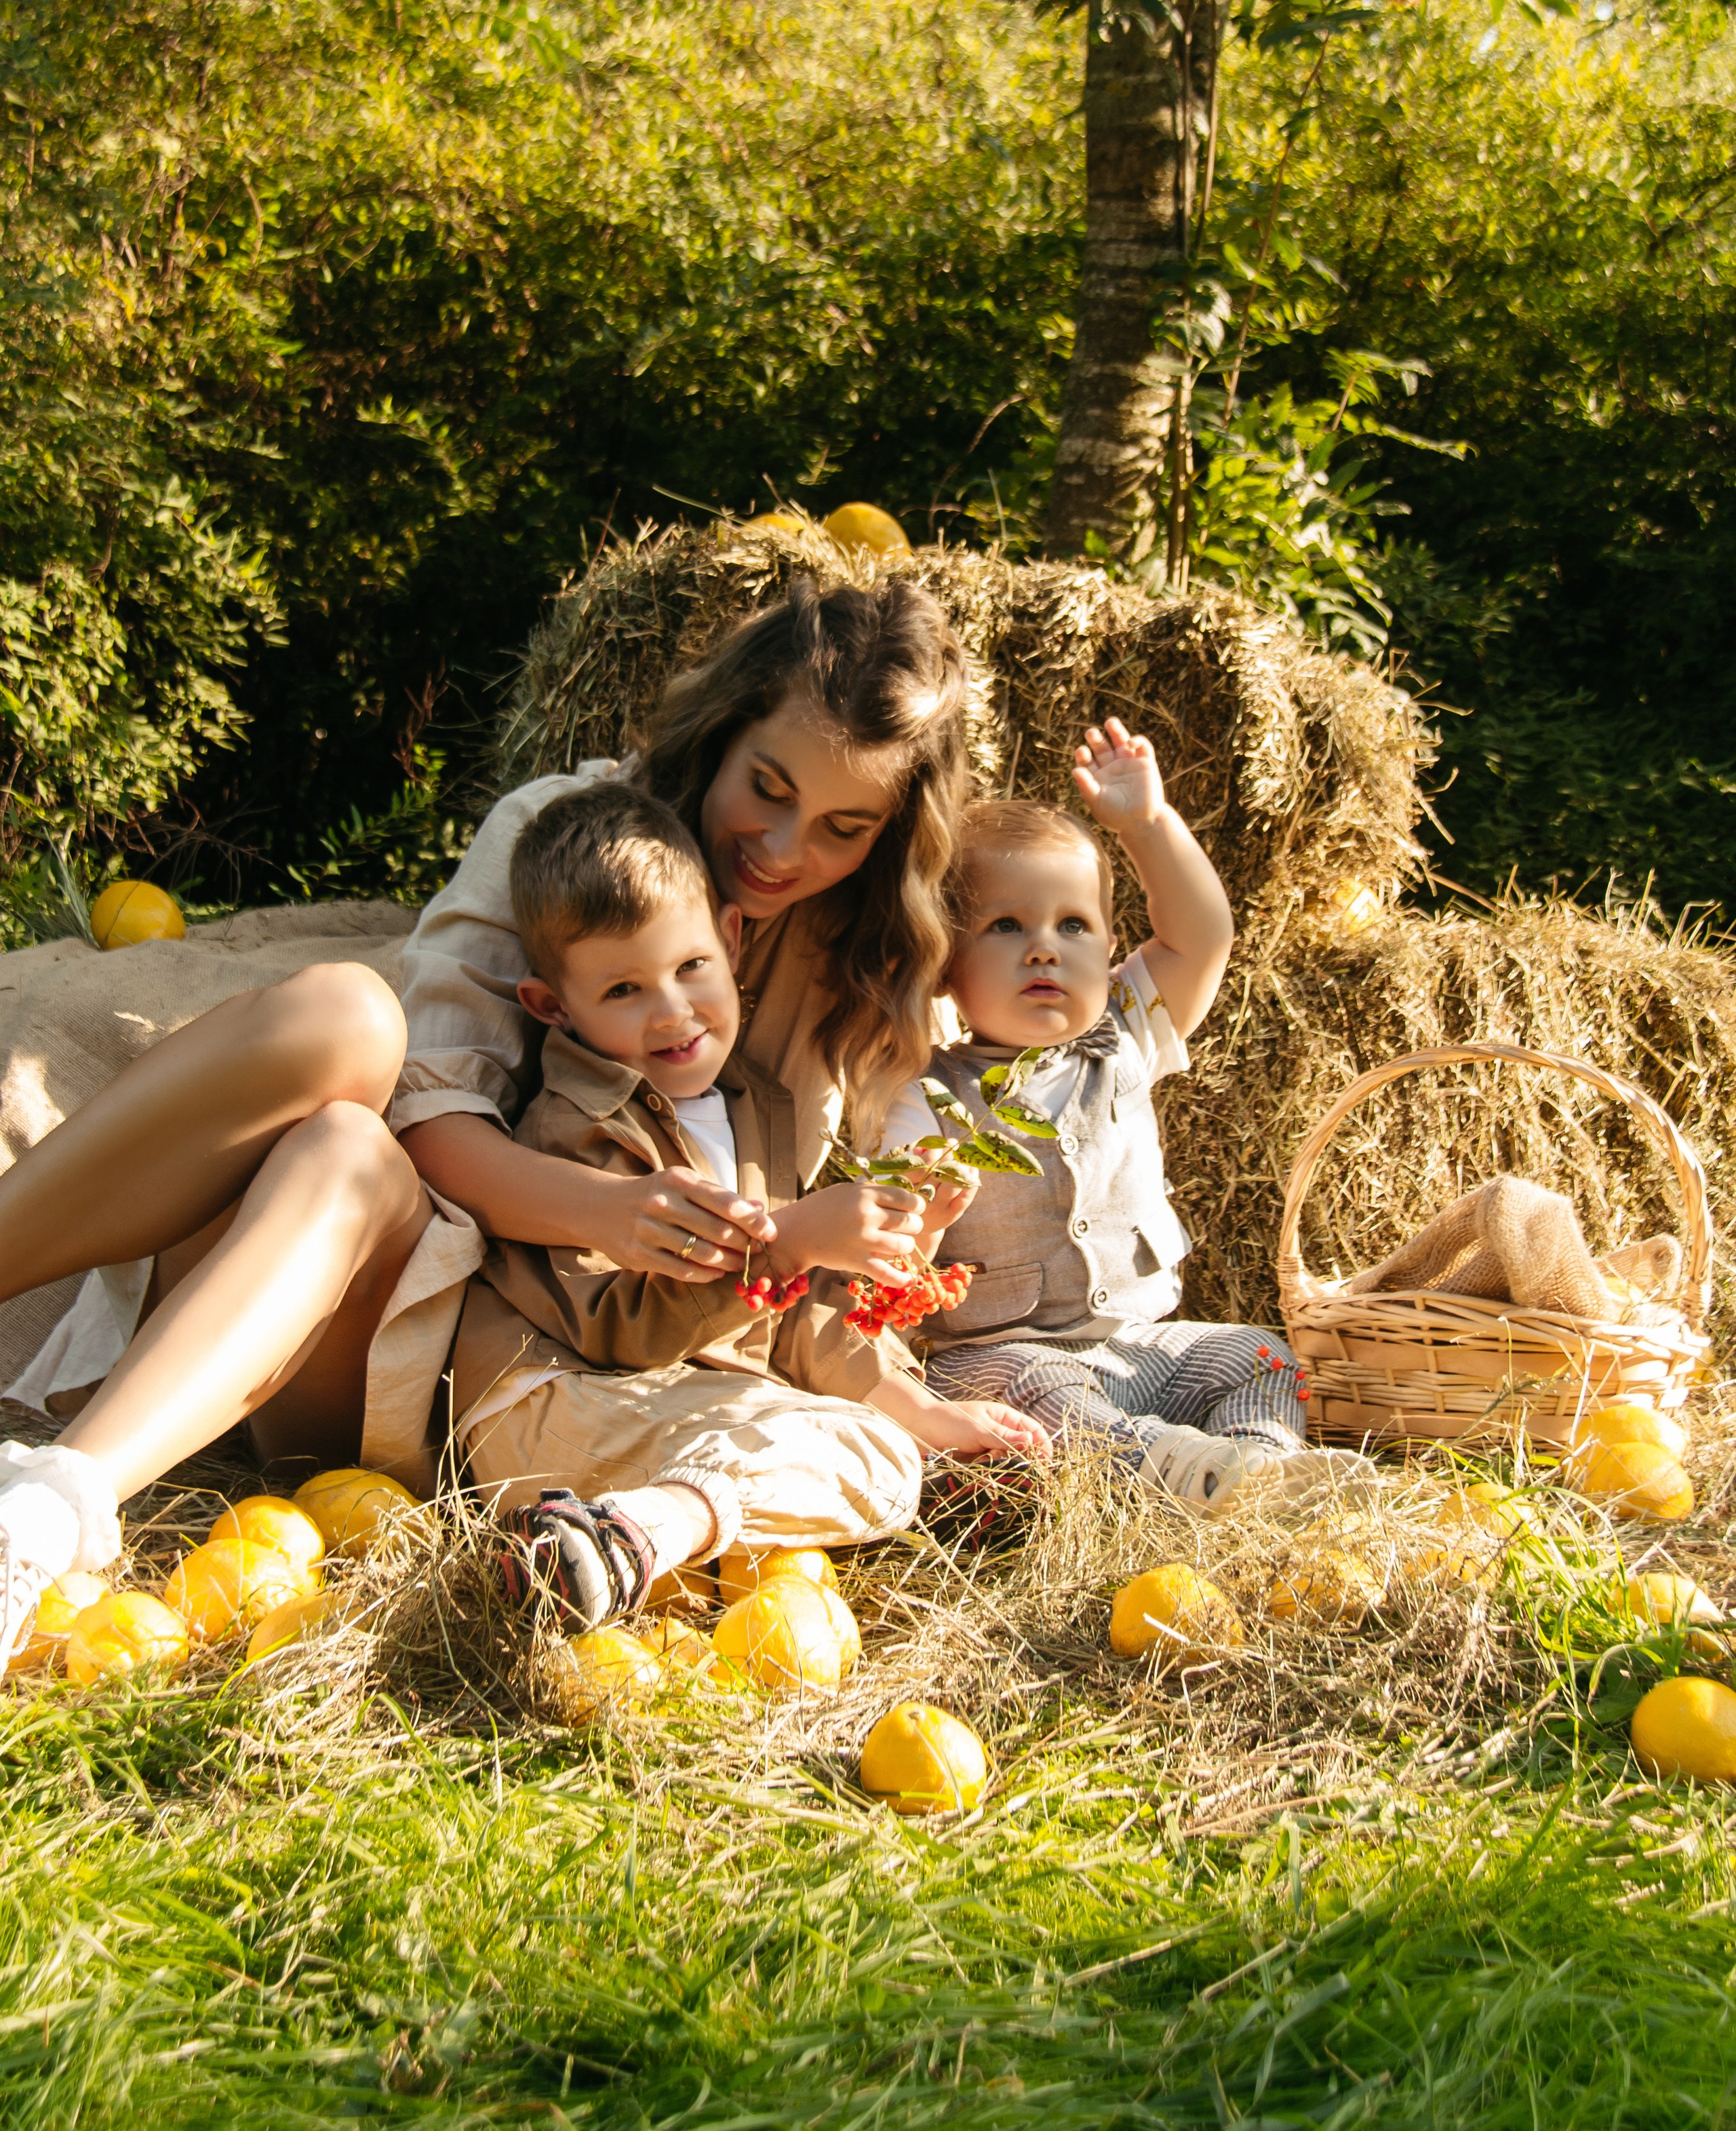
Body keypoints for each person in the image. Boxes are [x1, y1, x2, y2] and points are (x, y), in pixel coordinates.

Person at [0, 577, 1008, 1658]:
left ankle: (49, 1510)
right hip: (361, 1254)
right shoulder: (560, 833)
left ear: (892, 831)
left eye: (843, 826)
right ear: (721, 733)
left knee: (346, 1147)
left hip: (476, 1380)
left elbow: (821, 1257)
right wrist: (613, 1207)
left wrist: (914, 1217)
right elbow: (429, 1118)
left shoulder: (860, 960)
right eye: (764, 786)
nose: (780, 844)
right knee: (345, 1032)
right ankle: (51, 1505)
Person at [462, 777, 1046, 1619]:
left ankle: (622, 1536)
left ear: (731, 942)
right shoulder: (577, 1129)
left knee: (885, 1454)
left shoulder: (760, 1105)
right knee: (867, 1457)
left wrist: (918, 1399)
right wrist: (791, 1238)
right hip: (551, 1400)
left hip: (676, 1409)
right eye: (622, 991)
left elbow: (791, 1315)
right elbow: (620, 1330)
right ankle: (646, 1532)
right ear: (553, 1008)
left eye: (689, 967)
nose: (671, 1012)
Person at [887, 718, 1370, 1512]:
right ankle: (1180, 1472)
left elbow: (1202, 936)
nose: (1044, 948)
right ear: (944, 964)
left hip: (1140, 1345)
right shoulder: (925, 1092)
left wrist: (1147, 825)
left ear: (1109, 946)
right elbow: (902, 1245)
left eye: (1071, 925)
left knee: (1259, 1353)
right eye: (1006, 926)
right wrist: (926, 1219)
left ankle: (1259, 1466)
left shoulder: (1127, 1031)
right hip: (999, 1353)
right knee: (1040, 1395)